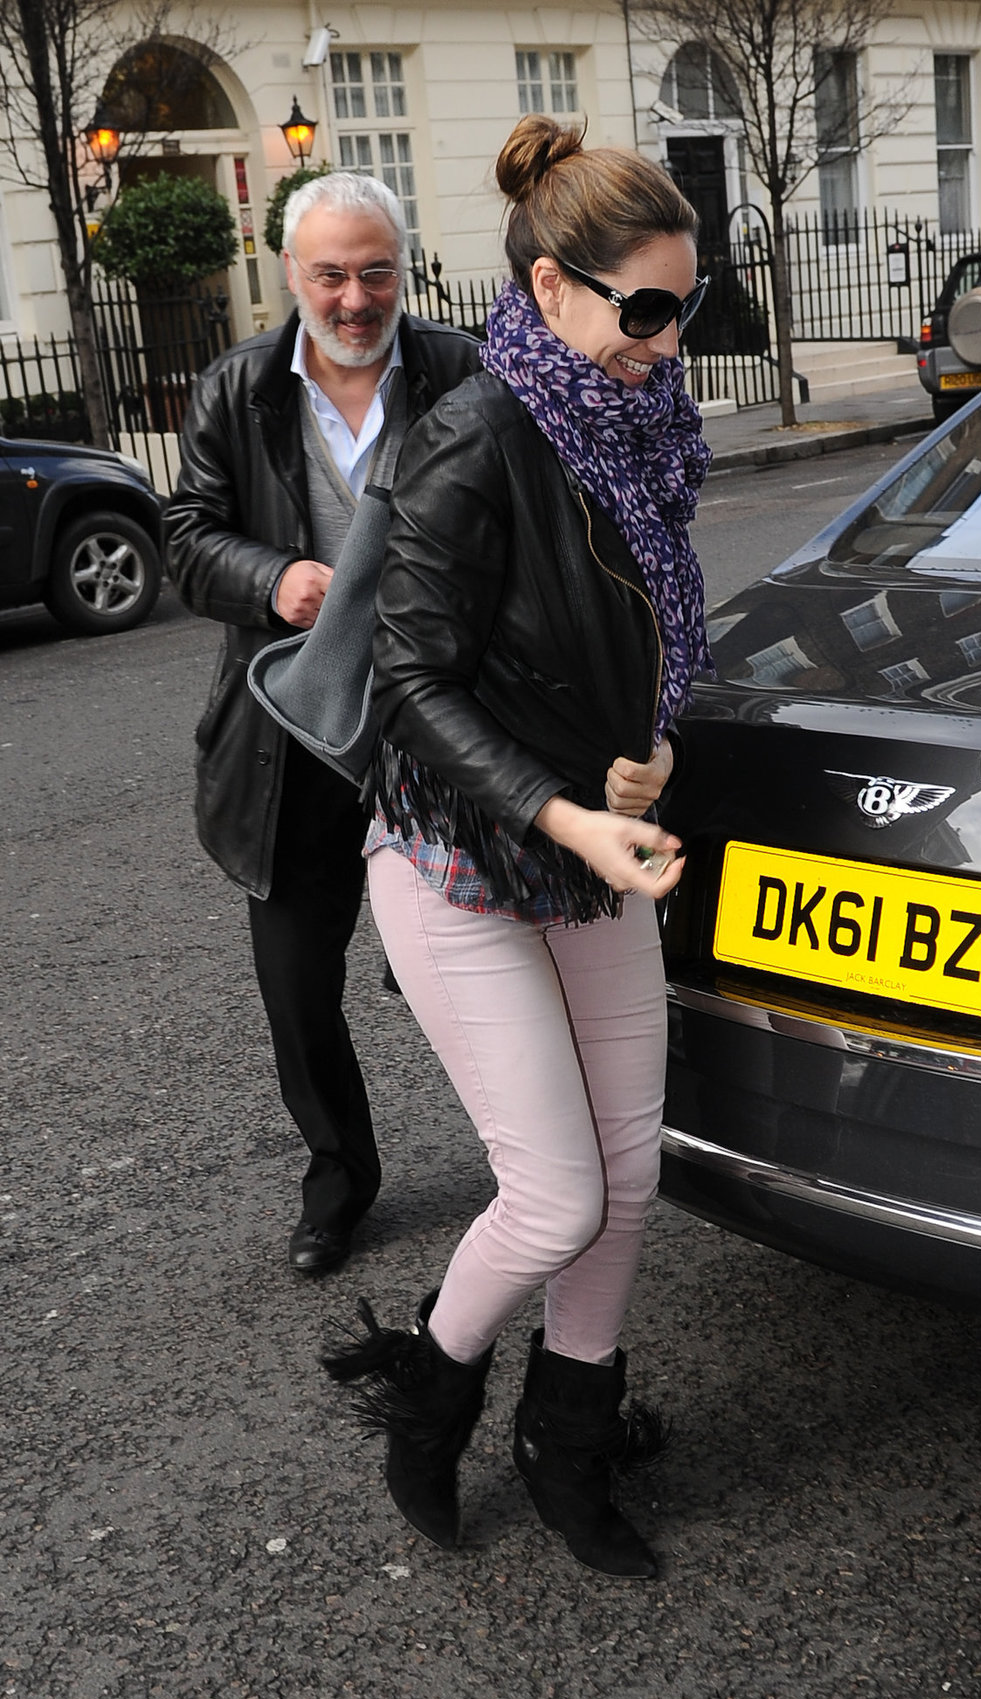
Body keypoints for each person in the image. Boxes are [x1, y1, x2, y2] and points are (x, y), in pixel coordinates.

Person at [322, 115, 712, 1578]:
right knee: (553, 1185)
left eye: (690, 305)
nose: (671, 343)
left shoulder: (647, 424)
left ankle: (570, 1434)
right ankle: (430, 1386)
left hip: (595, 841)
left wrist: (654, 746)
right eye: (648, 309)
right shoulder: (469, 443)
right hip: (459, 857)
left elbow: (657, 639)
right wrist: (573, 819)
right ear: (550, 290)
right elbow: (408, 691)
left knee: (626, 1165)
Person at [164, 173, 479, 1275]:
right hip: (289, 738)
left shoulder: (461, 371)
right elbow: (186, 536)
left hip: (433, 728)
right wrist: (273, 578)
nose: (355, 298)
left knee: (476, 959)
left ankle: (529, 1162)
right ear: (290, 274)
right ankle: (340, 1180)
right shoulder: (239, 388)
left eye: (375, 271)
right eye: (331, 275)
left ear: (405, 270)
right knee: (299, 992)